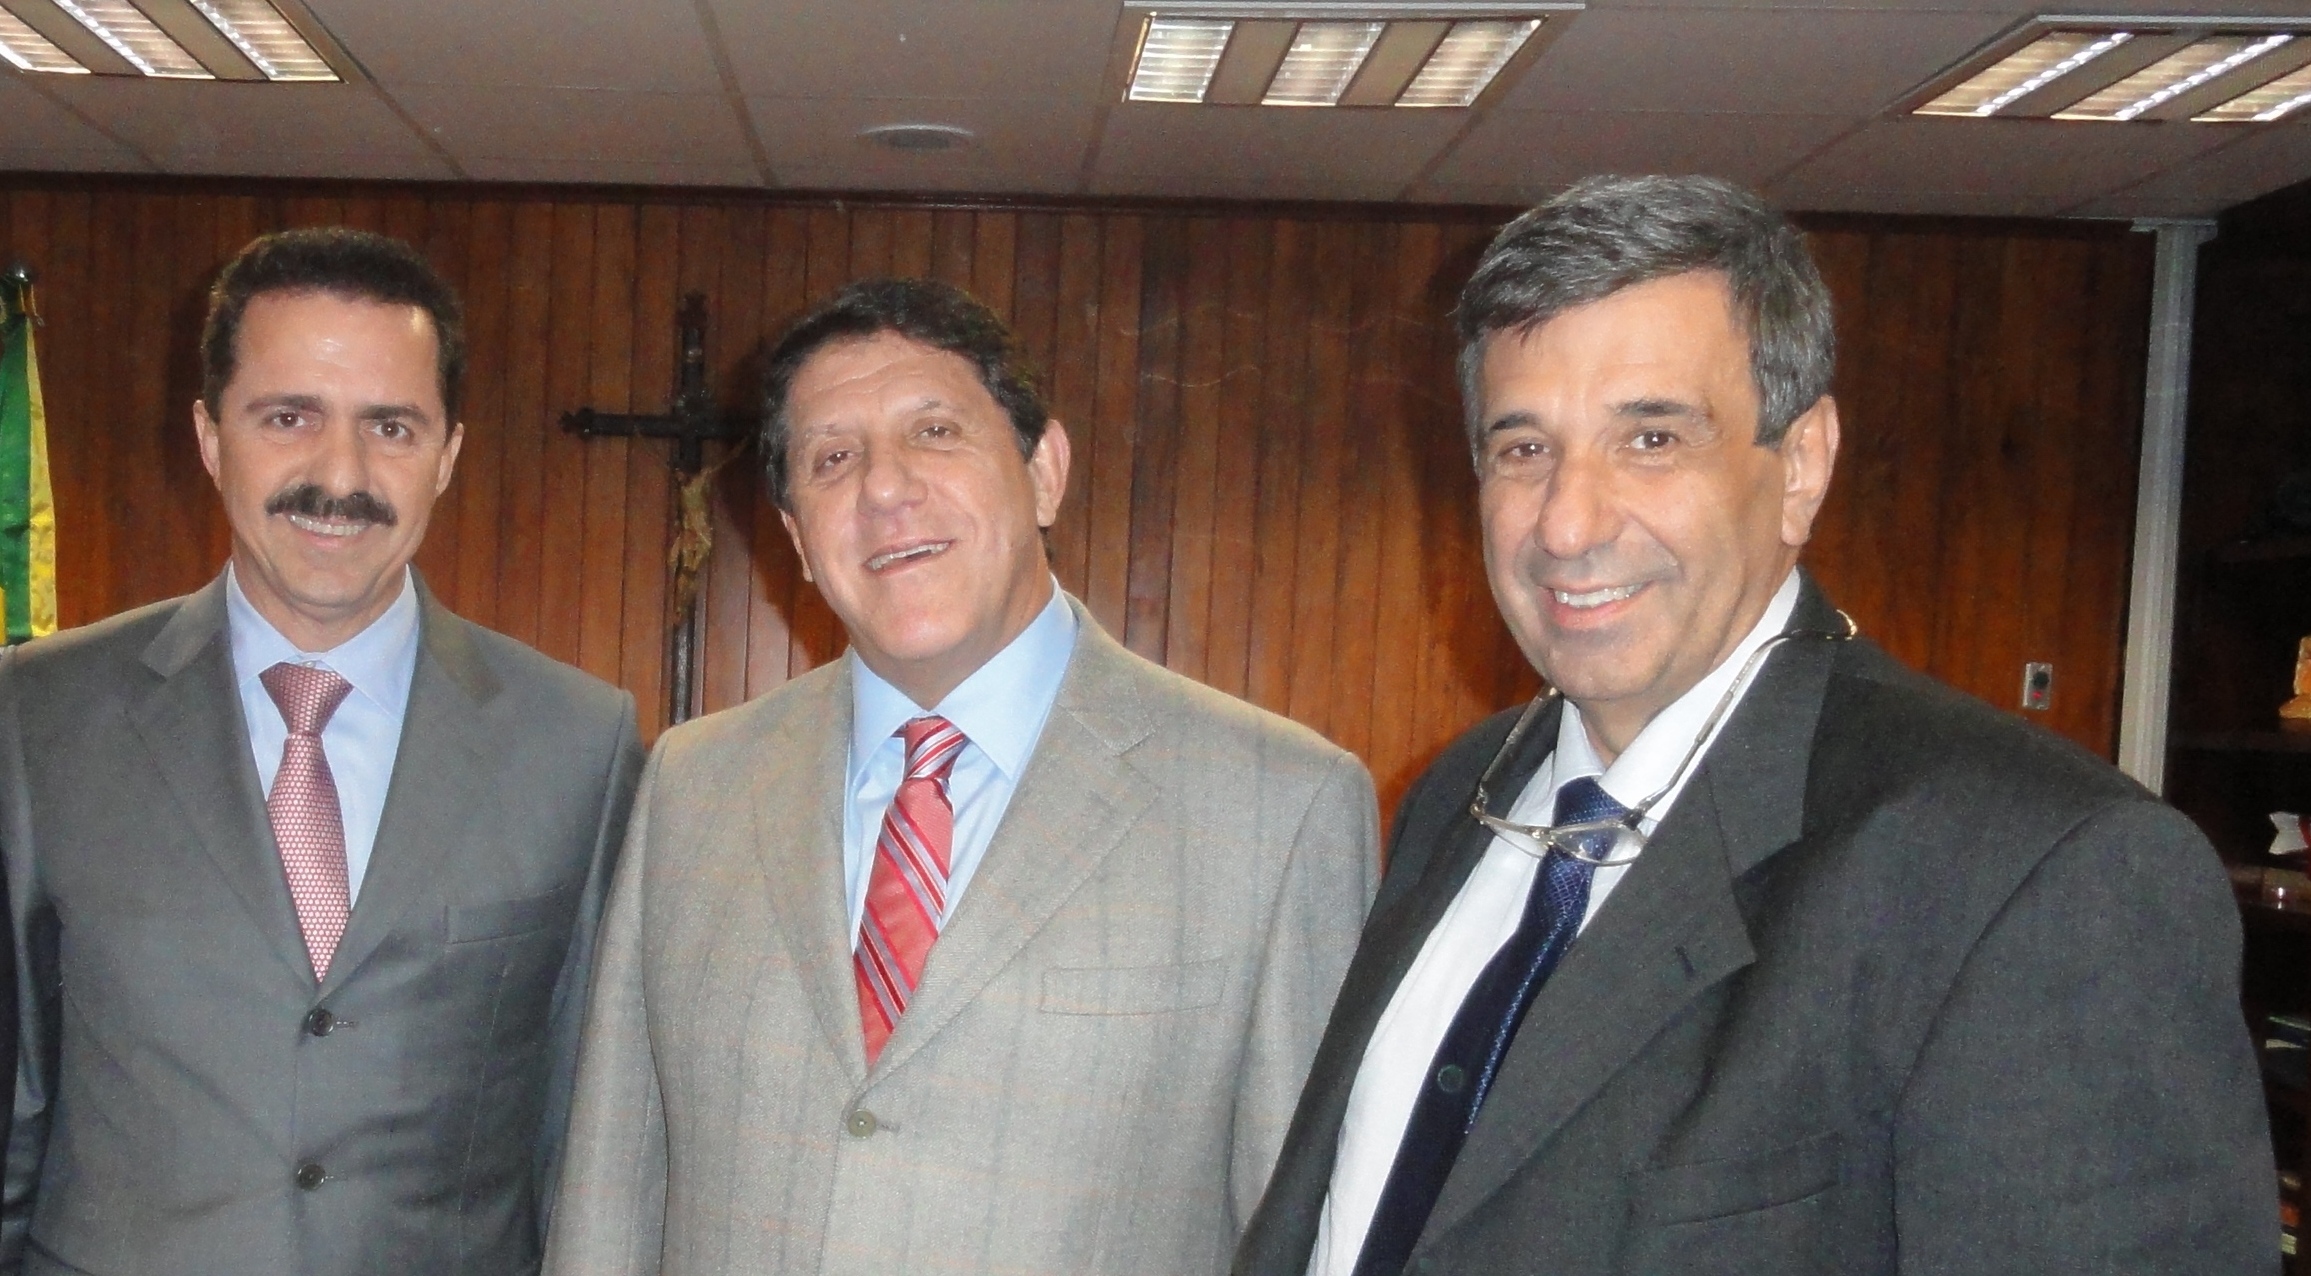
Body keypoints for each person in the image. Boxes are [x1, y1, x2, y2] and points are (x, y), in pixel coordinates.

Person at [1234, 175, 2273, 1276]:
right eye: (1524, 449)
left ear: (1802, 464)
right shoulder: (1462, 790)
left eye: (1650, 438)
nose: (1567, 524)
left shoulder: (2035, 875)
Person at [544, 277, 1377, 1276]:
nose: (883, 488)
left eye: (934, 432)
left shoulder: (1278, 807)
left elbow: (1308, 1235)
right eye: (833, 458)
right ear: (799, 539)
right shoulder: (693, 784)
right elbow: (610, 1184)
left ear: (1044, 472)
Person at [0, 227, 644, 1274]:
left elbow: (586, 1128)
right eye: (288, 417)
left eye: (390, 426)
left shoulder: (578, 742)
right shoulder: (38, 716)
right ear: (210, 437)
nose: (339, 475)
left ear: (447, 456)